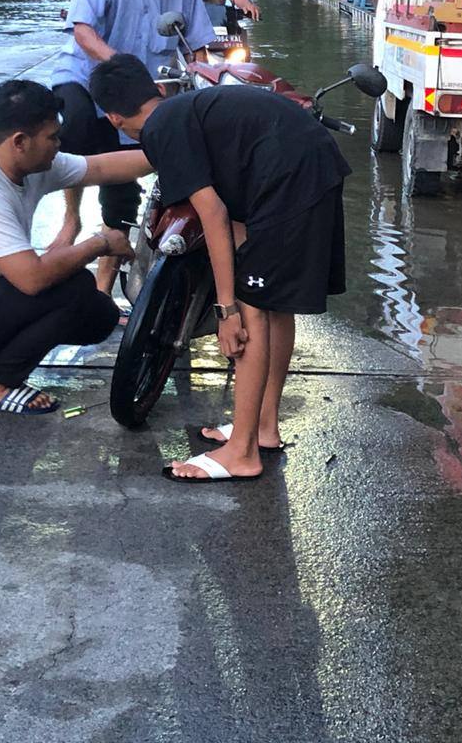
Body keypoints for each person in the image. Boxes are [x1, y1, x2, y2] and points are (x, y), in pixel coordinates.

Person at [88, 54, 350, 482]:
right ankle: (263, 427)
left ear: (115, 117)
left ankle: (242, 452)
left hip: (290, 178)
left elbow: (211, 212)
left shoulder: (161, 129)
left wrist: (225, 309)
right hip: (311, 163)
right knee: (274, 304)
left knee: (251, 308)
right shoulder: (183, 108)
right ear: (153, 89)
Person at [0, 80, 149, 414]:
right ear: (20, 141)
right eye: (52, 137)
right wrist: (101, 243)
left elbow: (102, 167)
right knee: (72, 286)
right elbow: (32, 280)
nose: (58, 144)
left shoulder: (30, 165)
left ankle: (4, 354)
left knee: (99, 316)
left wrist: (168, 154)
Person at [48, 0, 214, 298]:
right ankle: (71, 215)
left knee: (125, 191)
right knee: (80, 130)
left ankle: (103, 291)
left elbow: (195, 45)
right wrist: (123, 70)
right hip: (86, 76)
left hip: (142, 92)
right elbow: (83, 31)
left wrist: (206, 79)